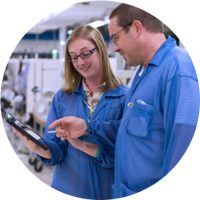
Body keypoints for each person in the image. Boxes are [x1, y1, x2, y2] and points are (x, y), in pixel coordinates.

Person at [49, 3, 200, 199]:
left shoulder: (177, 69)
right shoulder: (143, 73)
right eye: (74, 57)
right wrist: (87, 127)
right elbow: (126, 130)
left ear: (137, 28)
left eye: (116, 38)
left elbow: (182, 151)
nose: (115, 48)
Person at [14, 25, 127, 199]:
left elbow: (126, 153)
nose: (80, 62)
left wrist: (84, 143)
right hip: (68, 189)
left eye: (86, 53)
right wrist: (38, 147)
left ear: (101, 50)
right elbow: (56, 149)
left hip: (108, 191)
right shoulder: (63, 98)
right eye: (74, 57)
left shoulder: (124, 97)